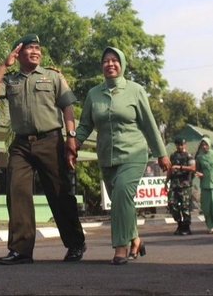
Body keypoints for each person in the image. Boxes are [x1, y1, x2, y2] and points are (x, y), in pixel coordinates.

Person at [0, 34, 86, 265]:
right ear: (18, 54)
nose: (35, 52)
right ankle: (21, 250)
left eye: (38, 48)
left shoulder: (53, 76)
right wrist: (4, 64)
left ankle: (75, 243)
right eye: (29, 48)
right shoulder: (10, 80)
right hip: (21, 144)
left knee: (60, 194)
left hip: (51, 140)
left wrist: (71, 138)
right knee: (17, 192)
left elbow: (68, 107)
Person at [73, 46, 171, 265]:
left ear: (122, 64)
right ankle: (135, 239)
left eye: (114, 60)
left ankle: (121, 247)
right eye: (106, 61)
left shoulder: (135, 90)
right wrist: (74, 143)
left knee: (121, 196)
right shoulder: (93, 94)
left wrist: (162, 153)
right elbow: (86, 125)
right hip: (107, 158)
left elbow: (149, 125)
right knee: (121, 202)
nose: (110, 64)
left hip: (134, 154)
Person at [166, 137, 196, 235]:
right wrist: (166, 181)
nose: (179, 146)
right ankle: (179, 224)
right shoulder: (173, 156)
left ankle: (186, 227)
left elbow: (193, 168)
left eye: (181, 144)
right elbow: (170, 169)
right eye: (178, 144)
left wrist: (180, 167)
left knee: (185, 206)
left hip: (185, 185)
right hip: (174, 184)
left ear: (185, 145)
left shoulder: (189, 156)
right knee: (172, 204)